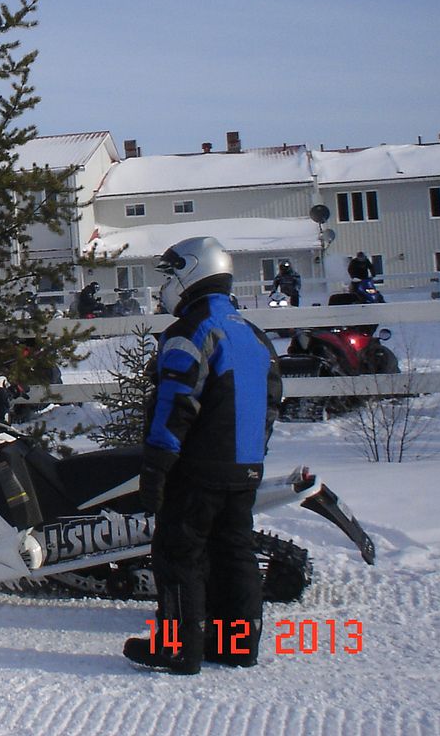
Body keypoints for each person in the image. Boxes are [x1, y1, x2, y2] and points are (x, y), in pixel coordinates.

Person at [122, 236, 282, 675]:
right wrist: (251, 455)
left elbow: (175, 403)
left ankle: (177, 648)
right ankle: (237, 645)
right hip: (244, 467)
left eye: (172, 274)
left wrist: (156, 466)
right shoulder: (253, 334)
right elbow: (271, 404)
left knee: (178, 554)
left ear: (193, 272)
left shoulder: (192, 331)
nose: (166, 285)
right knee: (235, 553)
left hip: (196, 468)